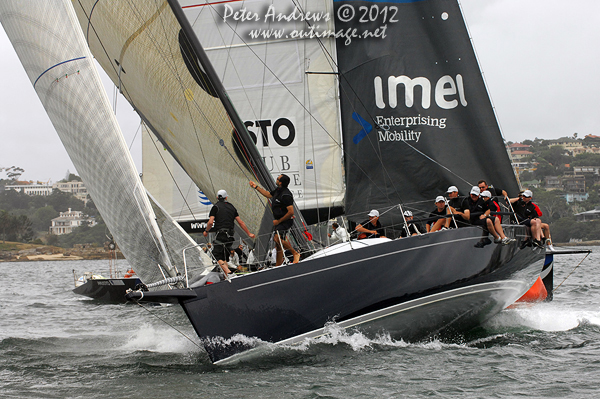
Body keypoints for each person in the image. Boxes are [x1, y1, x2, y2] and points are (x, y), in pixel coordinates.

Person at [203, 189, 256, 279]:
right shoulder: (232, 207)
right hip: (230, 236)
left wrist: (206, 231)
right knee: (223, 257)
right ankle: (226, 276)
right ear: (226, 197)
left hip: (221, 234)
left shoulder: (215, 207)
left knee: (216, 255)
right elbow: (241, 222)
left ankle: (229, 273)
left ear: (217, 197)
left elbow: (210, 222)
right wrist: (249, 233)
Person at [250, 174, 300, 265]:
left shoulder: (286, 195)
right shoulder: (278, 190)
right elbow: (268, 195)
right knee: (278, 245)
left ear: (280, 182)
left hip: (285, 221)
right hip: (278, 221)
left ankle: (295, 253)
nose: (276, 180)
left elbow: (291, 212)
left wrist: (279, 221)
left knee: (276, 239)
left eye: (277, 179)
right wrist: (256, 187)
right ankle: (278, 265)